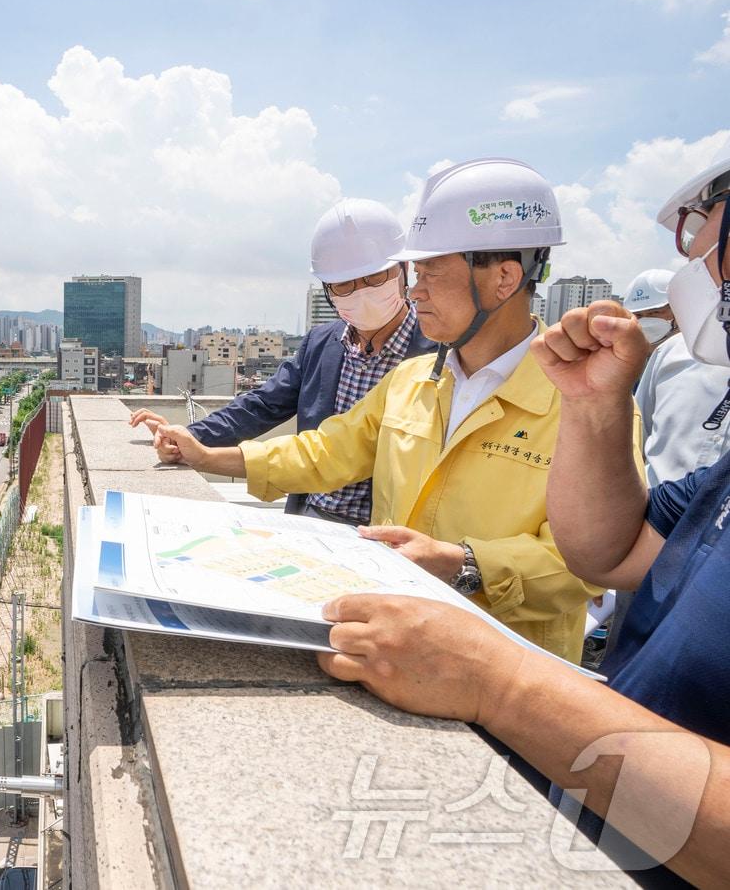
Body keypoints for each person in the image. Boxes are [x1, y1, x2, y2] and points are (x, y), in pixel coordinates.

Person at [310, 154, 730, 886]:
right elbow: (612, 551)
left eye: (707, 239)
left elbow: (569, 577)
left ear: (502, 277)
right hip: (585, 816)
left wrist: (496, 678)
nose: (693, 261)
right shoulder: (422, 378)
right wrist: (596, 406)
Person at [158, 158, 624, 663]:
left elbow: (591, 563)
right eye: (414, 272)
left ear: (504, 278)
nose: (415, 290)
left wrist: (463, 563)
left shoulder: (584, 406)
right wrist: (207, 457)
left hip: (508, 672)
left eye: (430, 273)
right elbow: (324, 452)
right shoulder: (414, 380)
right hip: (394, 650)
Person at [131, 198, 437, 526]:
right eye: (345, 284)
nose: (361, 292)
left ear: (403, 271)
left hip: (388, 531)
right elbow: (260, 406)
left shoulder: (439, 351)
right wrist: (187, 437)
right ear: (328, 290)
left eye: (374, 277)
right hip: (311, 517)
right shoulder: (323, 344)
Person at [624, 268, 730, 487]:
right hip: (654, 507)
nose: (644, 322)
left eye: (654, 313)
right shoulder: (668, 353)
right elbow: (637, 437)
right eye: (639, 316)